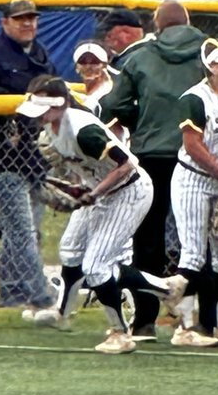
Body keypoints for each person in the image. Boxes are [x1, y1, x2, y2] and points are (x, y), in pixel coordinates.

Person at [17, 76, 183, 353]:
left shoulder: (83, 130)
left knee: (96, 267)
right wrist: (75, 189)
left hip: (129, 191)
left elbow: (126, 165)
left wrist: (93, 194)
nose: (39, 115)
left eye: (44, 108)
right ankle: (64, 313)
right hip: (103, 189)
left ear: (61, 104)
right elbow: (84, 171)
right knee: (70, 250)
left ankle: (121, 333)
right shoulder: (51, 130)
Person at [99, 0, 207, 340]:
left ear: (157, 26)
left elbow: (112, 106)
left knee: (148, 239)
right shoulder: (210, 52)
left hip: (152, 153)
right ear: (188, 23)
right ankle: (199, 321)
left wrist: (142, 119)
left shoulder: (139, 56)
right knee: (200, 239)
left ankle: (145, 320)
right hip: (199, 156)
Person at [169, 39, 218, 348]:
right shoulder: (195, 98)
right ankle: (186, 327)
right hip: (194, 179)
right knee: (193, 253)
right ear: (211, 65)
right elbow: (193, 145)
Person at [0, 0, 57, 316]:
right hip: (2, 154)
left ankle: (11, 291)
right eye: (20, 19)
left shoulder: (40, 52)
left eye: (32, 18)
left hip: (34, 154)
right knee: (21, 228)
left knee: (25, 226)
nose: (28, 23)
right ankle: (40, 295)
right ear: (5, 23)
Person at [73, 40, 117, 115]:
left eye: (95, 62)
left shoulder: (113, 92)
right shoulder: (77, 90)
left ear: (104, 65)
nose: (88, 67)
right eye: (82, 61)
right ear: (76, 67)